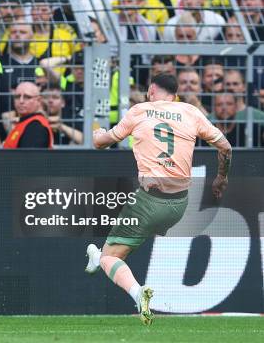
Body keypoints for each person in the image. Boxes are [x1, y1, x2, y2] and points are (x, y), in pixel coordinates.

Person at [86, 73, 232, 325]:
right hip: (179, 204)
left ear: (151, 90)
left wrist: (96, 129)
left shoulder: (140, 110)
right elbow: (226, 148)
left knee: (112, 256)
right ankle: (96, 256)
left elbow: (101, 143)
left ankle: (135, 291)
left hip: (149, 199)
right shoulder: (191, 112)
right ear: (175, 95)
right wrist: (221, 178)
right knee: (114, 245)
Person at [3, 81, 53, 148]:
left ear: (39, 100)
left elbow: (30, 157)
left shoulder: (36, 126)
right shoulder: (27, 122)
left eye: (27, 97)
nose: (21, 101)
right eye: (17, 97)